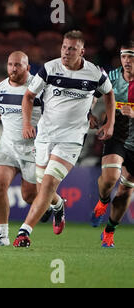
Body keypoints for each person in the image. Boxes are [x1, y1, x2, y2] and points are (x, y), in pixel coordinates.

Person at [13, 30, 116, 247]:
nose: (66, 52)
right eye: (64, 47)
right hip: (45, 135)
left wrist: (109, 122)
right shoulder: (50, 68)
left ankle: (24, 232)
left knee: (49, 184)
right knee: (43, 191)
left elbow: (108, 93)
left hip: (71, 139)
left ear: (82, 51)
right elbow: (29, 96)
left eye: (72, 49)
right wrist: (26, 123)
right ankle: (58, 206)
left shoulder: (95, 73)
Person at [0, 51, 45, 246]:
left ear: (28, 68)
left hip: (33, 149)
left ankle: (50, 204)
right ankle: (2, 236)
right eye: (10, 64)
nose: (13, 69)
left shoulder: (38, 87)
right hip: (8, 147)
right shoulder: (0, 88)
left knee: (29, 195)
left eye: (18, 65)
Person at [91, 41, 134, 247]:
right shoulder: (112, 77)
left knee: (125, 191)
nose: (127, 61)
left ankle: (109, 231)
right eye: (124, 56)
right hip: (117, 135)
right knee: (110, 179)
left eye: (131, 57)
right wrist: (89, 112)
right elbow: (93, 94)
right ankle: (103, 200)